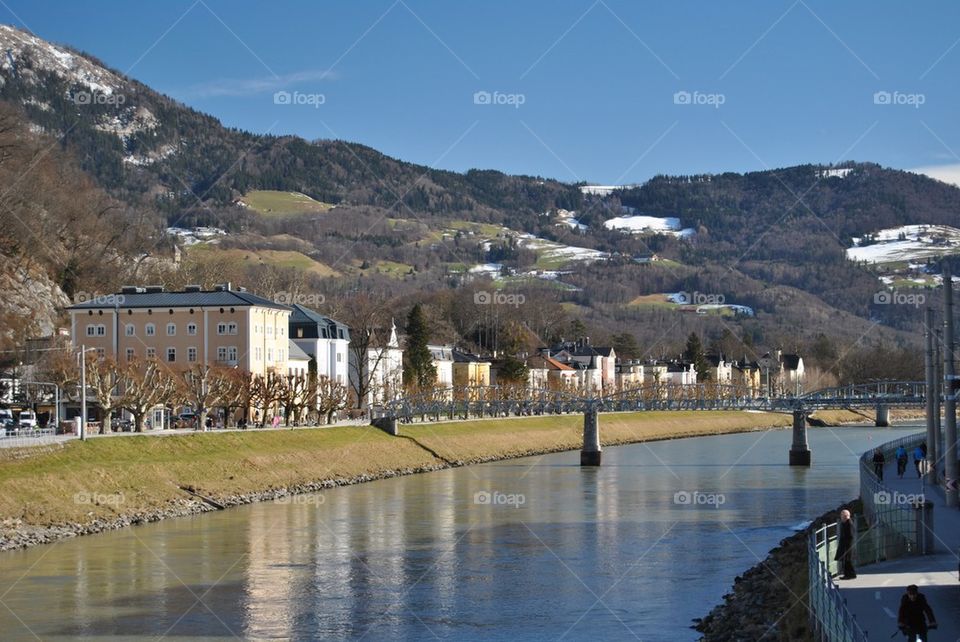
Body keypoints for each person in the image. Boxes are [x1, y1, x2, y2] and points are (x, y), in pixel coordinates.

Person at [834, 509, 856, 579]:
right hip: (845, 544)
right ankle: (849, 574)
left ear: (845, 516)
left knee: (847, 560)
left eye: (842, 516)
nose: (841, 517)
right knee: (846, 560)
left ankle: (850, 574)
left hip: (847, 545)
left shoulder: (848, 524)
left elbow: (850, 535)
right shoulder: (846, 523)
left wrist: (846, 544)